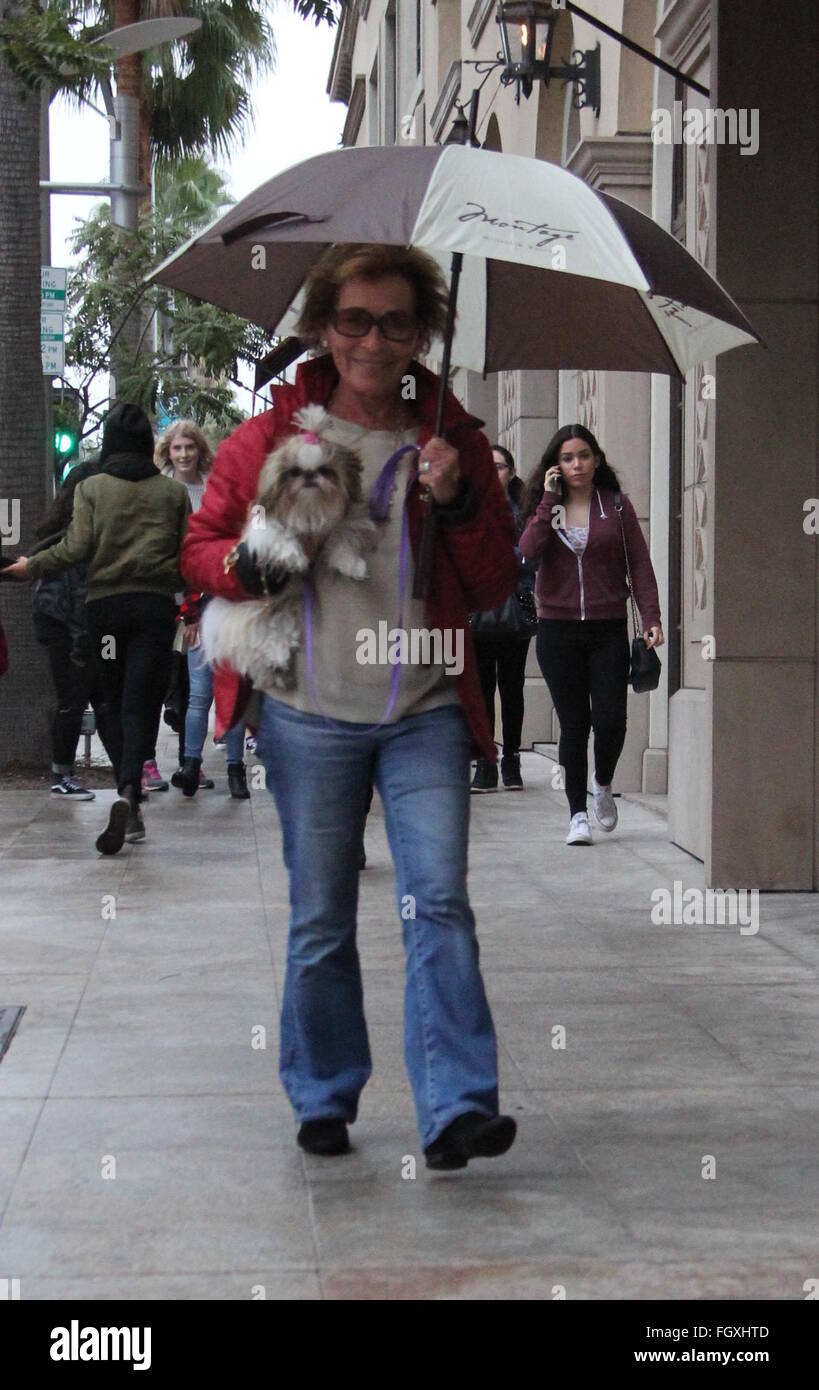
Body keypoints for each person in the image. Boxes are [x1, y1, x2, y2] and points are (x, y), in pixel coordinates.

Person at [181, 243, 519, 1169]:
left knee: (439, 901)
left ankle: (456, 1105)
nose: (374, 340)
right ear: (324, 326)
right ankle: (324, 1093)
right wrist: (243, 566)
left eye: (397, 321)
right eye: (355, 320)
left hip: (423, 705)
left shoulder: (456, 439)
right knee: (322, 913)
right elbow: (202, 545)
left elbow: (490, 584)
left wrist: (453, 501)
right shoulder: (273, 436)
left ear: (423, 332)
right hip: (307, 710)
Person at [5, 404, 191, 854]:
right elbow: (189, 558)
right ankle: (131, 790)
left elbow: (75, 548)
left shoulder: (91, 488)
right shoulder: (172, 494)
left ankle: (127, 791)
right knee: (140, 701)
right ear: (149, 444)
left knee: (108, 698)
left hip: (105, 614)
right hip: (153, 612)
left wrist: (33, 567)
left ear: (108, 443)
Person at [519, 424, 663, 845]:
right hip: (557, 630)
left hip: (607, 629)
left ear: (596, 459)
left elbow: (639, 565)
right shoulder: (547, 507)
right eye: (567, 458)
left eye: (583, 455)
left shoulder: (615, 507)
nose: (576, 464)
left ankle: (602, 782)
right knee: (574, 724)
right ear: (555, 466)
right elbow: (526, 553)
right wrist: (547, 500)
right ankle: (577, 814)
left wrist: (651, 617)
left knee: (612, 719)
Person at [155, 420, 248, 799]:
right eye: (176, 448)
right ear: (167, 452)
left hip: (228, 598)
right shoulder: (162, 490)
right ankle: (190, 764)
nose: (183, 455)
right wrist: (186, 610)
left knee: (236, 686)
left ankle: (235, 768)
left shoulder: (214, 488)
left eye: (189, 447)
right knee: (198, 692)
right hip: (191, 600)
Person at [29, 458, 116, 799]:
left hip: (74, 622)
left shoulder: (73, 528)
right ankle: (61, 774)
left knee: (101, 698)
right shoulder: (74, 534)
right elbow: (73, 595)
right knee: (73, 699)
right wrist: (81, 646)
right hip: (62, 623)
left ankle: (126, 773)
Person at [470, 445, 534, 793]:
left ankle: (512, 760)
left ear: (510, 471)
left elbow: (531, 556)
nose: (492, 473)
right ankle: (485, 763)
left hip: (515, 608)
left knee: (512, 688)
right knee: (481, 690)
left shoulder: (524, 509)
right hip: (478, 611)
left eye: (499, 467)